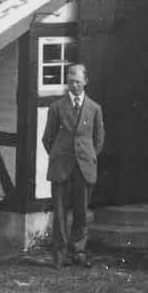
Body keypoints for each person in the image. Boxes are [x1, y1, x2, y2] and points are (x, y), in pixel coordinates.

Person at [42, 63, 104, 267]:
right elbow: (47, 138)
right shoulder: (57, 107)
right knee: (59, 212)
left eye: (77, 81)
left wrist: (87, 156)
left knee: (81, 211)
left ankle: (79, 251)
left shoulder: (94, 108)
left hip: (84, 167)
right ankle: (60, 254)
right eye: (70, 82)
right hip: (61, 167)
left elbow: (98, 139)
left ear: (86, 81)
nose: (74, 85)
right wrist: (59, 155)